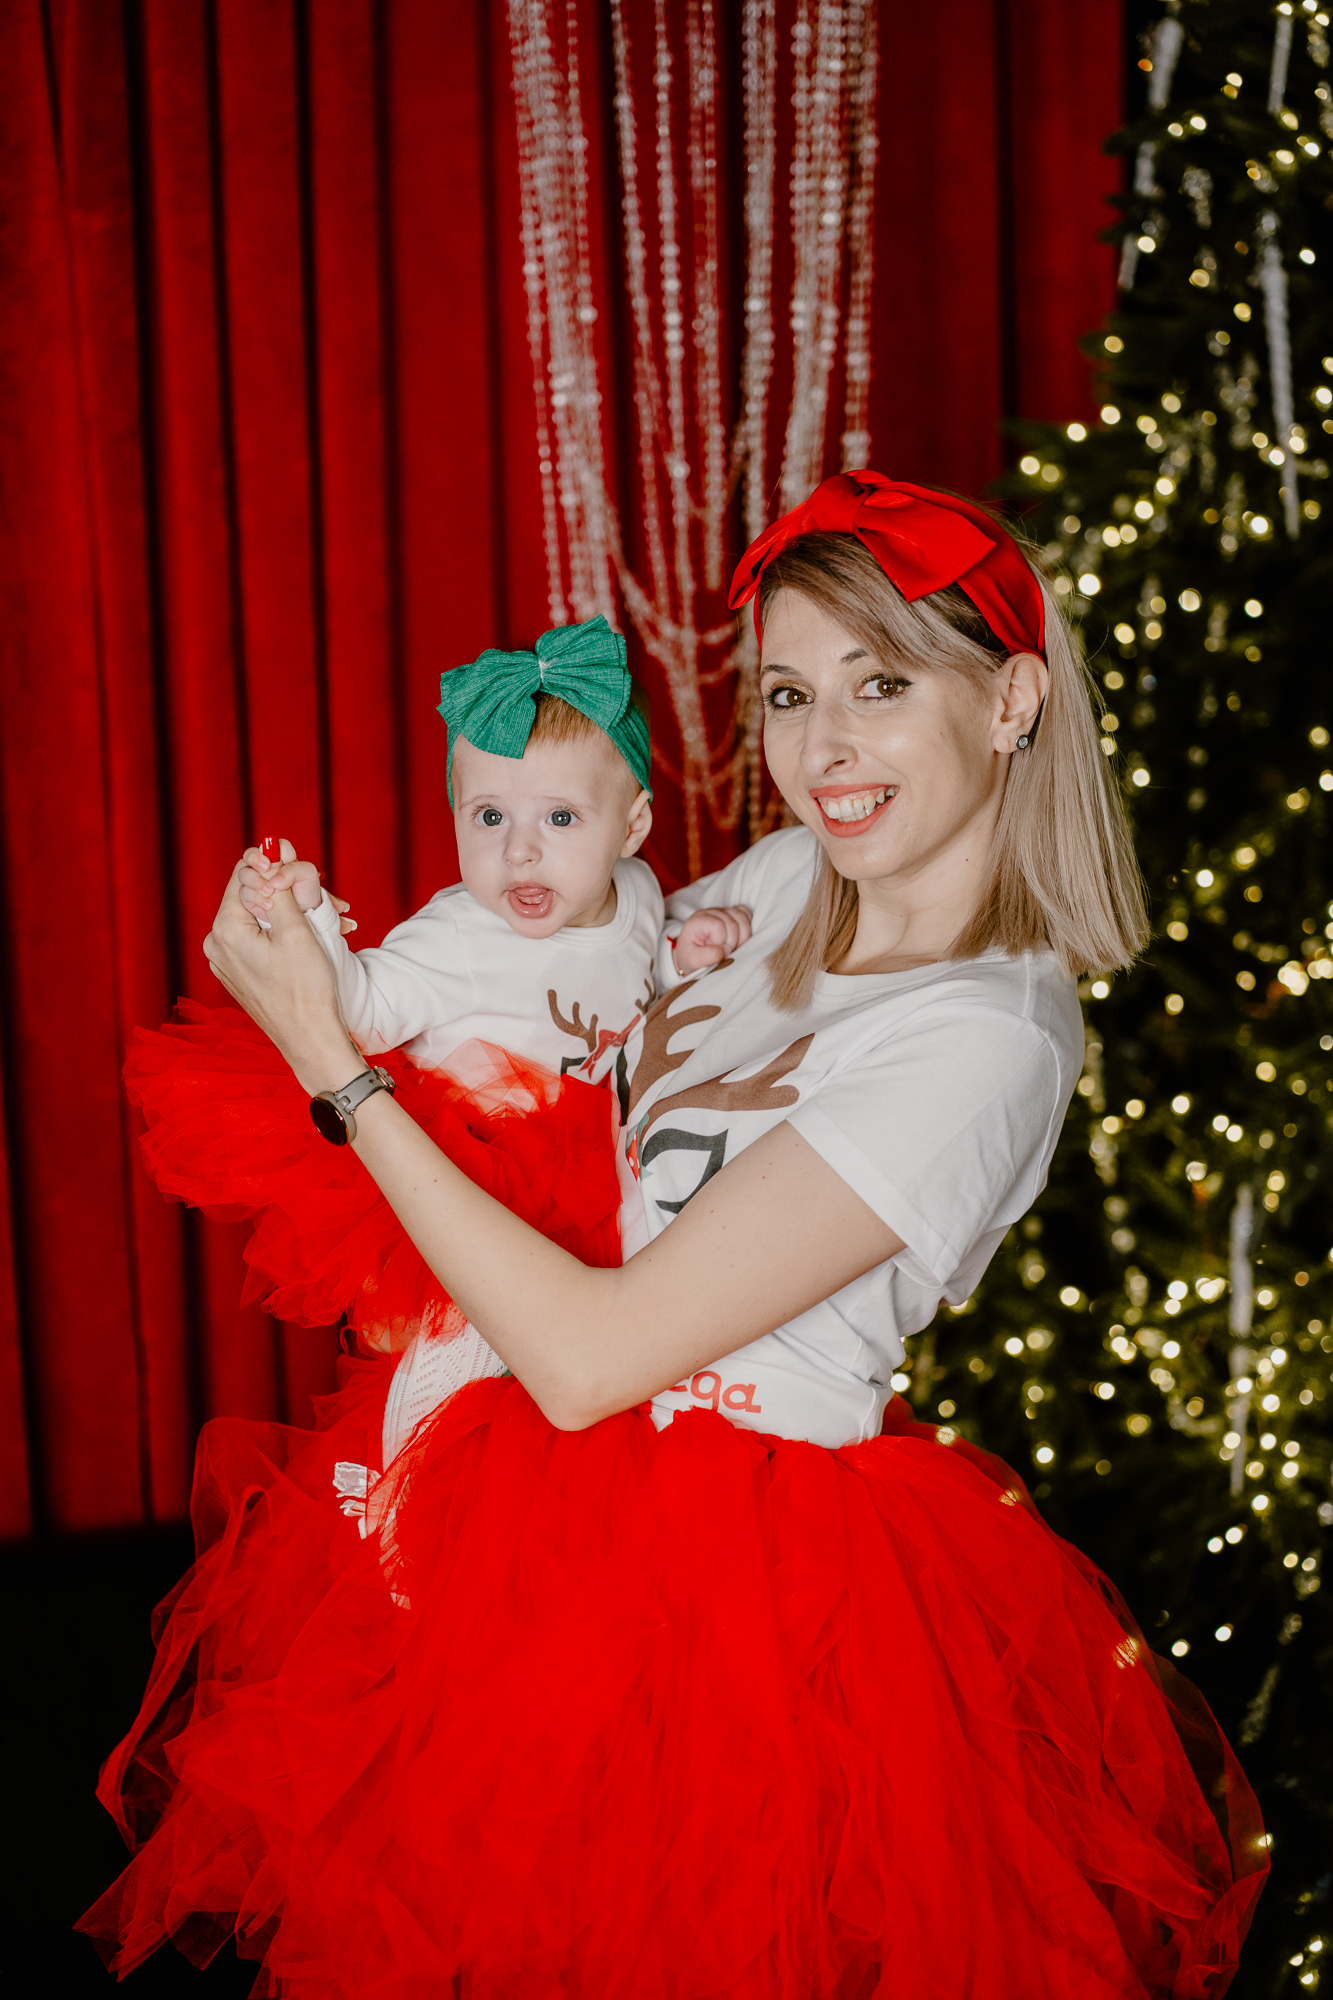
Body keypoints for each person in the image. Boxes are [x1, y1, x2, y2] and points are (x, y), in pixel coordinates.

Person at [82, 472, 1266, 2000]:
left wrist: (332, 1061)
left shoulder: (986, 1037)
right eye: (787, 693)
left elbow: (591, 1359)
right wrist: (353, 967)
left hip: (731, 1602)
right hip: (513, 1521)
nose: (821, 751)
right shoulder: (786, 879)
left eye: (880, 684)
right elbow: (548, 988)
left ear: (1010, 701)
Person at [125, 612, 749, 1469]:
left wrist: (684, 956)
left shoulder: (638, 893)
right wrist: (311, 924)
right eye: (488, 815)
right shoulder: (457, 936)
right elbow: (358, 1012)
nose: (519, 852)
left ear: (631, 828)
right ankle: (397, 1490)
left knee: (577, 1383)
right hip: (473, 1179)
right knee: (455, 1368)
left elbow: (635, 984)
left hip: (598, 1183)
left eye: (560, 818)